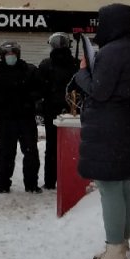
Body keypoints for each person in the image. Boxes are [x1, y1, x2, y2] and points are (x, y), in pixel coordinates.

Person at [74, 4, 130, 259]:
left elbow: (99, 90)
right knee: (122, 186)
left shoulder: (112, 52)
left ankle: (115, 247)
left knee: (109, 188)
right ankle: (122, 241)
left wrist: (82, 71)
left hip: (110, 128)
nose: (99, 27)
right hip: (128, 125)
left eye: (102, 21)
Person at [0, 40, 42, 193]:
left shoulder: (29, 70)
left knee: (30, 152)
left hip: (26, 118)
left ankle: (31, 184)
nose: (10, 56)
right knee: (5, 154)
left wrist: (30, 100)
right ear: (2, 56)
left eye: (13, 54)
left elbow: (40, 88)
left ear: (18, 54)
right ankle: (3, 185)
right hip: (5, 119)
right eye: (7, 54)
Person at [35, 33, 78, 190]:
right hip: (72, 110)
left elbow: (40, 88)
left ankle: (50, 181)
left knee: (52, 147)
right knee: (72, 146)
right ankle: (71, 178)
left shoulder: (46, 64)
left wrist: (42, 103)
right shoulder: (75, 64)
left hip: (52, 110)